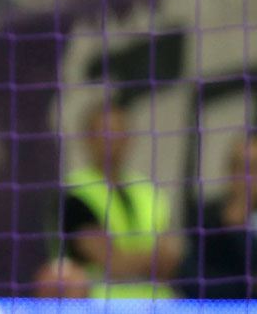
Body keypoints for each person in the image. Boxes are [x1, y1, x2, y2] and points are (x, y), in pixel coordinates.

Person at [62, 103, 181, 298]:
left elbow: (171, 261)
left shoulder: (149, 192)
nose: (112, 140)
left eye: (118, 132)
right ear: (88, 139)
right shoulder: (75, 194)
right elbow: (113, 263)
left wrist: (130, 260)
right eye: (104, 132)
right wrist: (150, 259)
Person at [178, 135, 257, 299]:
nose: (245, 177)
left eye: (253, 168)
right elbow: (188, 274)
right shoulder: (205, 216)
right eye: (239, 166)